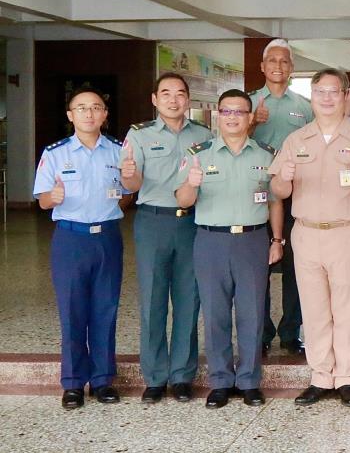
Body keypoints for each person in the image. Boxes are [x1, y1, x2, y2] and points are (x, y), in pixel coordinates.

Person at [270, 69, 350, 407]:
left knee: (348, 308)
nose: (327, 98)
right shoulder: (296, 140)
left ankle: (347, 377)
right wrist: (284, 179)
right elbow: (277, 189)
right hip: (306, 233)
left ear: (346, 96)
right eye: (320, 91)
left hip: (348, 231)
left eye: (334, 91)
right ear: (312, 96)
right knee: (315, 308)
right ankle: (320, 376)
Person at [175, 89, 284, 409]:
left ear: (251, 118)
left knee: (252, 313)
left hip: (252, 239)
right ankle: (220, 381)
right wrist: (191, 184)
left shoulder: (266, 154)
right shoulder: (199, 153)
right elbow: (182, 201)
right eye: (227, 112)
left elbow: (276, 201)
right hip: (211, 240)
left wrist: (277, 240)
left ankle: (250, 380)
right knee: (215, 313)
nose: (233, 117)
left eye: (240, 112)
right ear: (218, 116)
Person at [34, 87, 131, 410]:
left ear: (105, 114)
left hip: (107, 237)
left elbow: (128, 194)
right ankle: (73, 382)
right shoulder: (55, 153)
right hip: (70, 239)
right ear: (70, 115)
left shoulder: (118, 152)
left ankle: (103, 379)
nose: (89, 114)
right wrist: (53, 198)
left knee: (105, 309)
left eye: (96, 108)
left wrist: (128, 188)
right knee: (73, 311)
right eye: (81, 108)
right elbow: (43, 199)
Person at [120, 72, 212, 404]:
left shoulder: (204, 135)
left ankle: (183, 375)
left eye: (180, 94)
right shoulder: (140, 135)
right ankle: (155, 377)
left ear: (188, 100)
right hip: (153, 221)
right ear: (155, 100)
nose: (174, 99)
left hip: (192, 224)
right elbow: (131, 185)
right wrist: (129, 178)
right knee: (153, 299)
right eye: (166, 93)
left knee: (189, 299)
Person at [249, 38, 313, 355]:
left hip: (294, 195)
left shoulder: (304, 106)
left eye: (284, 61)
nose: (278, 66)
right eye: (272, 61)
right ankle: (260, 332)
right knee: (255, 266)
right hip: (253, 196)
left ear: (291, 68)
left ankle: (290, 331)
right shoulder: (246, 103)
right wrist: (250, 123)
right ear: (262, 67)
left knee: (295, 267)